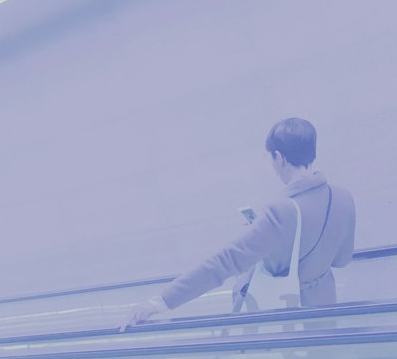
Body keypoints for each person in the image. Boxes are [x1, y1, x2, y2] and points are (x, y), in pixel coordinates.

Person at [123, 117, 355, 327]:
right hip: (323, 315)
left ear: (279, 158)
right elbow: (341, 259)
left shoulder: (281, 211)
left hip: (284, 321)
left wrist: (159, 302)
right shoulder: (342, 196)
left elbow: (225, 261)